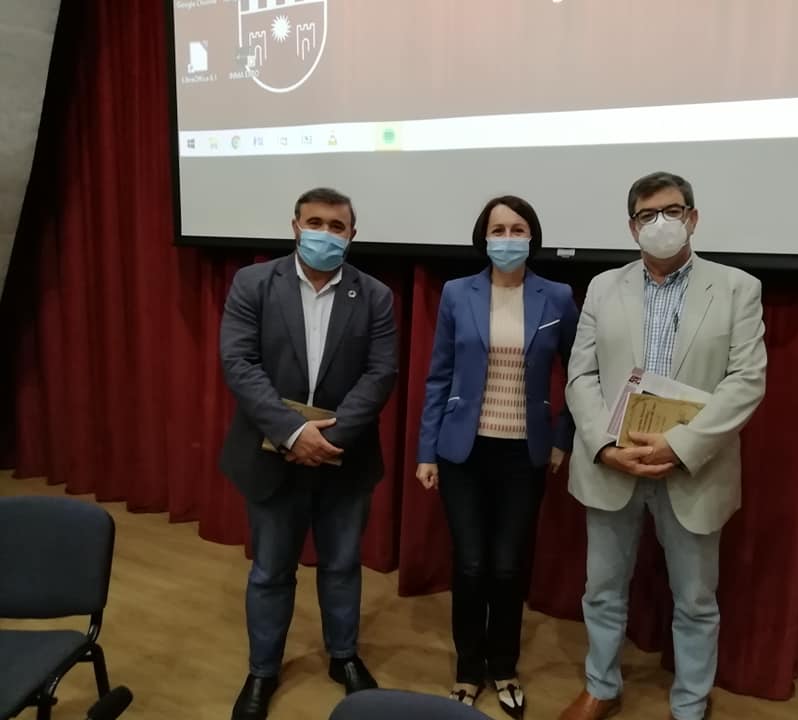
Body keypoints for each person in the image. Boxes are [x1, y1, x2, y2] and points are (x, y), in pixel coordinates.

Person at [559, 172, 767, 720]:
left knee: (695, 600)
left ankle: (690, 703)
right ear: (632, 227)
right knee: (602, 590)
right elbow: (580, 375)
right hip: (612, 464)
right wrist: (605, 446)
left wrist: (680, 446)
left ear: (692, 218)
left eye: (672, 212)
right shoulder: (603, 287)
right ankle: (601, 686)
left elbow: (747, 381)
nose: (661, 224)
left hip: (693, 468)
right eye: (647, 215)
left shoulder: (737, 288)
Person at [219, 187, 398, 720]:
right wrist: (294, 433)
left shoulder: (376, 295)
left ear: (352, 234)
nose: (325, 233)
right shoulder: (253, 283)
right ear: (295, 226)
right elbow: (239, 363)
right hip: (271, 453)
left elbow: (381, 372)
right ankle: (263, 669)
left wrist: (331, 438)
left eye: (336, 226)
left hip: (346, 455)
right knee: (270, 570)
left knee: (342, 566)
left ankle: (343, 657)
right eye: (314, 222)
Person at [416, 196, 580, 718]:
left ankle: (504, 666)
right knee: (470, 564)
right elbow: (439, 375)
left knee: (508, 567)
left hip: (524, 453)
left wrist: (562, 438)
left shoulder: (557, 296)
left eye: (517, 229)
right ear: (483, 237)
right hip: (462, 451)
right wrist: (426, 451)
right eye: (498, 229)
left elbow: (580, 374)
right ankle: (468, 670)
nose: (507, 238)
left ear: (532, 237)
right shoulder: (456, 293)